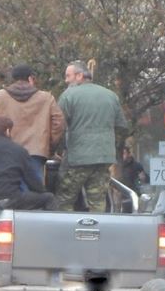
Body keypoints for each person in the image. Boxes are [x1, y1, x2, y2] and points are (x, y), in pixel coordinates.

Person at [55, 60, 129, 212]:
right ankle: (95, 231)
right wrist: (110, 147)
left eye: (68, 76)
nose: (66, 80)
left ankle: (68, 233)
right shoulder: (110, 96)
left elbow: (58, 126)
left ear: (79, 75)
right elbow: (122, 127)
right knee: (98, 201)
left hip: (77, 159)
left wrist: (57, 150)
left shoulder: (69, 95)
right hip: (103, 158)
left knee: (65, 199)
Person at [0, 64, 66, 184]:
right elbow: (58, 123)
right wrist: (50, 146)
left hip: (5, 152)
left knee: (9, 190)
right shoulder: (46, 98)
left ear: (13, 78)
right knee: (34, 191)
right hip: (36, 152)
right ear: (30, 78)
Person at [0, 115, 58, 212]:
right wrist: (42, 192)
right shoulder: (19, 150)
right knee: (49, 198)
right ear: (8, 131)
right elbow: (32, 181)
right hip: (10, 199)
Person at [113, 145, 146, 213]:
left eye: (124, 153)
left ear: (128, 154)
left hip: (132, 195)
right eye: (121, 154)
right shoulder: (116, 166)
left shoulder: (136, 165)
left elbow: (143, 178)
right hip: (119, 196)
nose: (122, 156)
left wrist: (139, 182)